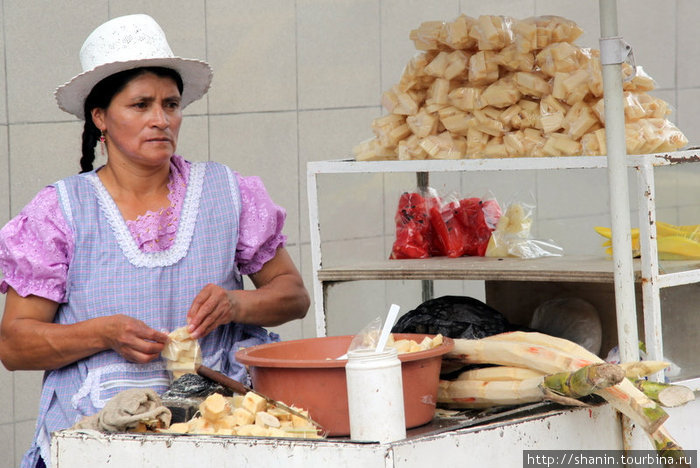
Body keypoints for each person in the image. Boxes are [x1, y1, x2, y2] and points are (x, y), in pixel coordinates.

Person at [0, 14, 309, 468]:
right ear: (100, 117)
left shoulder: (226, 192)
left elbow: (294, 295)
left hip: (216, 431)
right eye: (141, 105)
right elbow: (14, 345)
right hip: (99, 439)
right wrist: (103, 333)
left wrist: (235, 304)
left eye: (171, 104)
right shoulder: (59, 212)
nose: (161, 120)